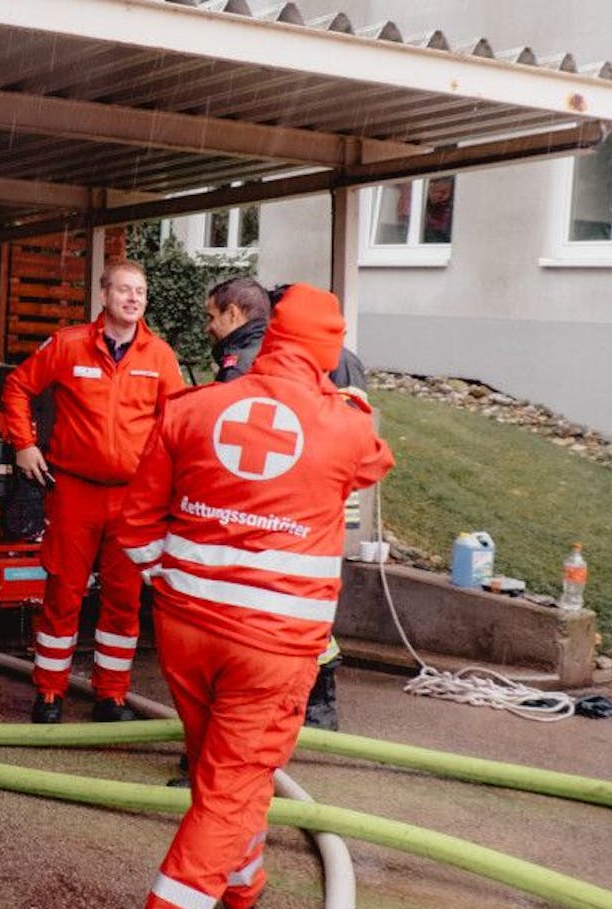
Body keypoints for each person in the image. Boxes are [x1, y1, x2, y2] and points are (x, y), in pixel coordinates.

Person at [118, 283, 393, 909]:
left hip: (186, 630)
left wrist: (171, 581)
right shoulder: (345, 426)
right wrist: (339, 396)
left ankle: (244, 887)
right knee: (232, 785)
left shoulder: (193, 408)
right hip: (271, 646)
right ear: (327, 349)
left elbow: (135, 525)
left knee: (218, 777)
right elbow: (376, 461)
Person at [1, 259, 184, 724]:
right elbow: (18, 387)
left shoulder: (159, 356)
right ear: (104, 295)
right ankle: (49, 693)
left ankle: (111, 696)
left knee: (124, 600)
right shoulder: (68, 345)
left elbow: (177, 423)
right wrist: (23, 445)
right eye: (124, 290)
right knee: (63, 592)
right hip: (75, 492)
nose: (133, 298)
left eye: (140, 291)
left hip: (133, 498)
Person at [203, 276, 369, 730]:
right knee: (305, 606)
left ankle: (300, 710)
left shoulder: (257, 361)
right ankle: (313, 710)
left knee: (277, 609)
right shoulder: (343, 360)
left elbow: (244, 444)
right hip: (322, 506)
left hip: (288, 508)